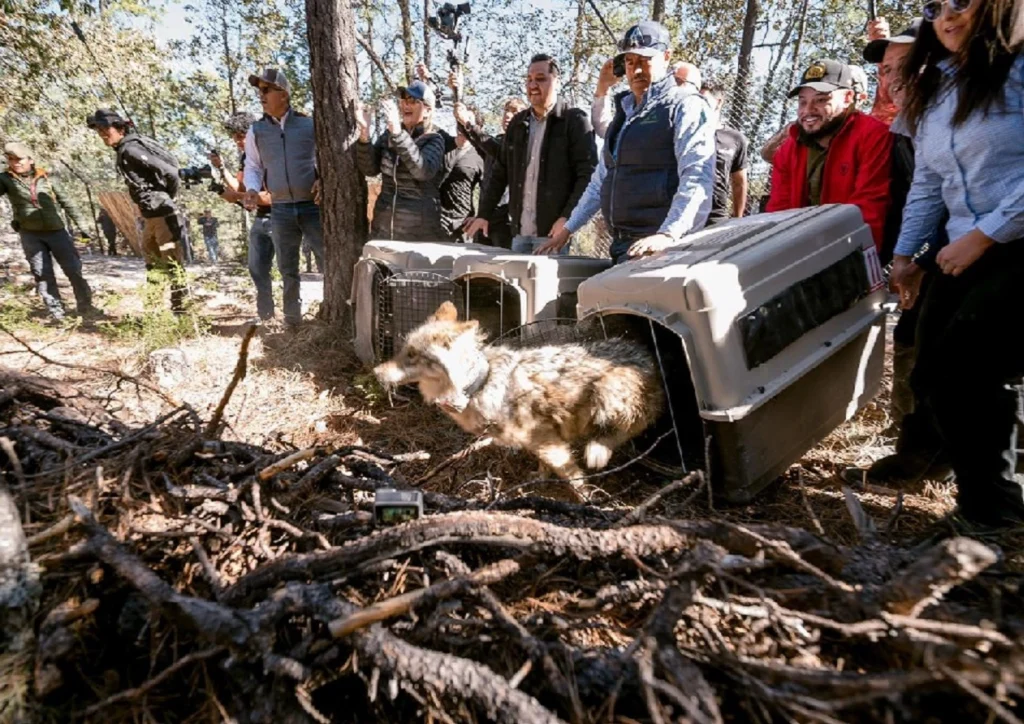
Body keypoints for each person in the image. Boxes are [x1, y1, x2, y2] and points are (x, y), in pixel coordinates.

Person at [884, 0, 1024, 530]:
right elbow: (928, 181)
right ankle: (978, 491)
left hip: (1014, 242)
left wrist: (985, 236)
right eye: (934, 6)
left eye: (961, 1)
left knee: (972, 367)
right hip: (962, 244)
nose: (947, 14)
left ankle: (994, 518)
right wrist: (906, 255)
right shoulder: (936, 88)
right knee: (931, 375)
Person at [537, 21, 716, 262]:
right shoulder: (625, 114)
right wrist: (568, 229)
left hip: (660, 249)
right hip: (623, 245)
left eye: (645, 60)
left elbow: (697, 175)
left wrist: (668, 234)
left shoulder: (685, 104)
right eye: (630, 62)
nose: (637, 70)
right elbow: (600, 181)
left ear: (666, 57)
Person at [466, 54, 598, 254]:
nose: (533, 85)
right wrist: (483, 213)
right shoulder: (518, 124)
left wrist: (568, 219)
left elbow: (587, 176)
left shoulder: (575, 121)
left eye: (541, 78)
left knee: (544, 286)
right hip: (519, 235)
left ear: (557, 81)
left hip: (554, 235)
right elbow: (500, 173)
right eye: (529, 79)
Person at [765, 59, 892, 251]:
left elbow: (870, 209)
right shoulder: (789, 148)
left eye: (821, 100)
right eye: (802, 102)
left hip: (852, 250)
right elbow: (778, 211)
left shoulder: (873, 135)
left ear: (848, 97)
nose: (808, 110)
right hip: (799, 248)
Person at [243, 68, 325, 328]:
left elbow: (326, 159)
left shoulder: (309, 124)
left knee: (328, 262)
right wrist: (253, 189)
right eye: (259, 91)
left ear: (284, 94)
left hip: (313, 207)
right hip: (280, 210)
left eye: (266, 90)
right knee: (288, 268)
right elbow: (253, 167)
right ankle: (293, 322)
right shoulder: (255, 131)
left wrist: (324, 179)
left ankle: (331, 315)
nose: (261, 96)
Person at [87, 108, 189, 314]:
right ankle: (154, 312)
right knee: (153, 265)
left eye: (106, 129)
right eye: (99, 131)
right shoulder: (124, 150)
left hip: (163, 216)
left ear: (119, 128)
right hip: (151, 218)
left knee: (173, 265)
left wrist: (166, 198)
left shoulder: (131, 149)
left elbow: (171, 173)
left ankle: (181, 313)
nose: (103, 134)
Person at [1, 142, 95, 321]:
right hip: (30, 234)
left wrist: (83, 226)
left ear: (30, 159)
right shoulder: (5, 179)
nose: (15, 163)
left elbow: (67, 202)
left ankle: (86, 306)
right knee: (42, 274)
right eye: (11, 160)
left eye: (19, 159)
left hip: (57, 232)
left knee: (73, 270)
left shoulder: (47, 178)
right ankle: (56, 312)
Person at [356, 80, 446, 242]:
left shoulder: (434, 139)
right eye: (403, 101)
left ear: (427, 110)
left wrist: (398, 133)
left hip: (418, 231)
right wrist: (364, 134)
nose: (405, 105)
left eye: (412, 101)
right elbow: (370, 169)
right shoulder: (388, 135)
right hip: (383, 227)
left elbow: (422, 171)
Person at [211, 111, 275, 320]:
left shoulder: (272, 152)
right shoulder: (246, 157)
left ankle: (293, 318)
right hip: (261, 218)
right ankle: (266, 316)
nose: (237, 141)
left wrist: (236, 196)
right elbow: (242, 187)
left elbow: (274, 196)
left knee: (287, 269)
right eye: (234, 137)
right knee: (256, 268)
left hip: (281, 217)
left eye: (241, 135)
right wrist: (221, 169)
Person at [453, 95, 529, 248]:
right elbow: (476, 140)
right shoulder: (495, 143)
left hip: (505, 222)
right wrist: (457, 94)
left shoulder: (519, 146)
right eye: (506, 110)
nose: (508, 115)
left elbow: (489, 144)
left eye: (514, 112)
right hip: (485, 219)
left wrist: (468, 123)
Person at [701, 80, 750, 224]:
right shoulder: (682, 133)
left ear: (718, 102)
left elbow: (739, 182)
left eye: (704, 100)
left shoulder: (735, 138)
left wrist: (737, 219)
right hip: (684, 213)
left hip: (716, 215)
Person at [438, 115, 485, 240]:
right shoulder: (441, 144)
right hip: (435, 219)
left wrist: (480, 216)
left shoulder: (480, 155)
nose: (462, 128)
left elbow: (488, 188)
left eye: (467, 124)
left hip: (462, 224)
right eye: (460, 123)